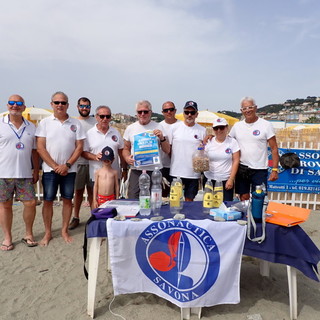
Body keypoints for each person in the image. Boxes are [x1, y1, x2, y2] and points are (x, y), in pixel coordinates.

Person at [36, 91, 85, 246]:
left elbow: (79, 148)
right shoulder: (44, 123)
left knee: (67, 200)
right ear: (52, 104)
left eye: (63, 103)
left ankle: (64, 230)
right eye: (57, 102)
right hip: (50, 170)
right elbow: (40, 148)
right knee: (48, 201)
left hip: (69, 170)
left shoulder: (76, 123)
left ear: (67, 105)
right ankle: (48, 233)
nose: (60, 105)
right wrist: (56, 166)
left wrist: (67, 165)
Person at [0, 95, 39, 251]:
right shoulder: (1, 124)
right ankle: (7, 237)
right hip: (3, 173)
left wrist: (36, 170)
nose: (14, 106)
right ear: (7, 105)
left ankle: (28, 234)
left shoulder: (31, 126)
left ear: (24, 107)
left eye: (18, 103)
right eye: (11, 103)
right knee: (5, 206)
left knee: (30, 203)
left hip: (24, 173)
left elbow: (35, 152)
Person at [229, 96, 279, 201]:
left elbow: (274, 148)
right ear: (241, 111)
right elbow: (226, 141)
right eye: (244, 108)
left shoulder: (266, 125)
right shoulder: (237, 126)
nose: (248, 110)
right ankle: (245, 217)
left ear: (256, 108)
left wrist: (275, 169)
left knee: (259, 198)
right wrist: (211, 137)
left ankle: (257, 217)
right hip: (242, 168)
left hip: (260, 169)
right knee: (243, 197)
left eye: (250, 107)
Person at [122, 100, 170, 199]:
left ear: (150, 112)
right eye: (140, 112)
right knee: (133, 198)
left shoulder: (159, 127)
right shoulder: (130, 128)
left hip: (154, 171)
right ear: (136, 113)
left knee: (154, 200)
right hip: (136, 170)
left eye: (145, 111)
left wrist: (162, 138)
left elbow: (167, 150)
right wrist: (127, 158)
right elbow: (125, 148)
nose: (142, 114)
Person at [82, 105, 126, 196]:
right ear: (97, 117)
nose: (105, 119)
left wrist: (124, 169)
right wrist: (94, 157)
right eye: (102, 116)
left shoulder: (116, 132)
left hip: (113, 175)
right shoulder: (89, 134)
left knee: (114, 204)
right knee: (96, 205)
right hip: (96, 176)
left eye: (108, 116)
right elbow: (83, 152)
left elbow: (122, 152)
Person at [168, 101, 206, 201]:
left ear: (196, 114)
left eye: (192, 113)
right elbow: (168, 149)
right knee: (174, 202)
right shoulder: (174, 128)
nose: (189, 115)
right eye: (187, 112)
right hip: (176, 172)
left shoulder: (202, 130)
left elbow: (205, 150)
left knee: (190, 202)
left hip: (193, 174)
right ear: (183, 113)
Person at [69, 97, 96, 230]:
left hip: (92, 162)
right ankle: (76, 217)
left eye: (87, 106)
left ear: (90, 107)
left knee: (92, 191)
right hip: (78, 162)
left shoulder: (95, 121)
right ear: (78, 107)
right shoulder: (73, 122)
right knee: (78, 191)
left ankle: (93, 216)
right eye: (82, 106)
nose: (84, 108)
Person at [204, 118, 240, 201]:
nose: (219, 130)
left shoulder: (232, 142)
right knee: (209, 205)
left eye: (221, 127)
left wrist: (231, 179)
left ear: (226, 128)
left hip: (225, 180)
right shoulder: (209, 142)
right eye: (216, 128)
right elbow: (202, 157)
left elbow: (236, 160)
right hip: (209, 179)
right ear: (213, 129)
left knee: (225, 206)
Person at [159, 101, 180, 197]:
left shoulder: (182, 125)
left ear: (175, 110)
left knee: (176, 196)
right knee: (162, 195)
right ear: (162, 112)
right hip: (162, 166)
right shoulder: (158, 126)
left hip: (178, 167)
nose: (169, 112)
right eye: (166, 110)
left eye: (171, 109)